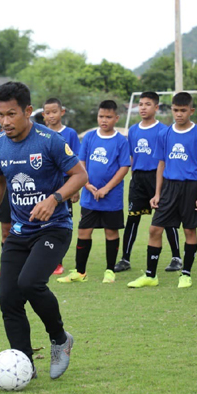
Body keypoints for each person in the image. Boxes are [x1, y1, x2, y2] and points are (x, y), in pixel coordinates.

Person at [0, 81, 88, 379]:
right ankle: (24, 363)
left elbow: (79, 175)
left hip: (54, 229)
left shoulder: (49, 140)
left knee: (29, 283)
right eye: (0, 115)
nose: (5, 122)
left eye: (11, 114)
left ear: (27, 111)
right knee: (8, 299)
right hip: (20, 231)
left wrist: (54, 199)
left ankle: (60, 339)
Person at [127, 92, 197, 289]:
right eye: (175, 110)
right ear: (170, 109)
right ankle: (150, 275)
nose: (179, 114)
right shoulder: (165, 134)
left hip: (191, 186)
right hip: (169, 187)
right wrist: (157, 193)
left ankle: (186, 274)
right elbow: (161, 164)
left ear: (191, 111)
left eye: (183, 110)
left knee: (189, 230)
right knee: (155, 228)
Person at [58, 100, 129, 284]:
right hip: (90, 197)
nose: (104, 120)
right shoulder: (89, 137)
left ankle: (109, 271)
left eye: (108, 117)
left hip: (111, 197)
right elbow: (81, 162)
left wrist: (106, 188)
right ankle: (80, 272)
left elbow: (123, 168)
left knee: (111, 233)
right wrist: (86, 183)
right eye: (101, 116)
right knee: (83, 231)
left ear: (116, 118)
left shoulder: (121, 140)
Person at [114, 92, 182, 274]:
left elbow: (167, 158)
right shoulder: (133, 130)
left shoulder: (165, 130)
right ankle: (125, 258)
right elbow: (130, 156)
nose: (143, 107)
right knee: (132, 219)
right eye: (141, 104)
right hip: (138, 179)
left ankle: (176, 257)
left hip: (158, 178)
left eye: (148, 104)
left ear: (156, 108)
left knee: (165, 218)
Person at [42, 98, 81, 275]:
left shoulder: (70, 133)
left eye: (54, 112)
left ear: (62, 112)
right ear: (43, 115)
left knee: (62, 222)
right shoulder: (41, 134)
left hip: (65, 184)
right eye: (48, 113)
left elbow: (77, 162)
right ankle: (48, 259)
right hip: (46, 183)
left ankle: (58, 261)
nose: (51, 116)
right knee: (45, 221)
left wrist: (75, 188)